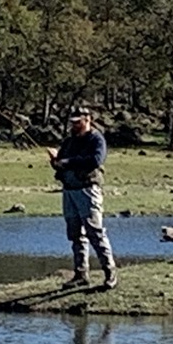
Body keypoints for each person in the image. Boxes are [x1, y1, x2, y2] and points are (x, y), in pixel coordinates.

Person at [47, 108, 117, 290]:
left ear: (88, 120)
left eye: (78, 121)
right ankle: (81, 274)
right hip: (69, 191)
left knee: (95, 232)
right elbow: (60, 163)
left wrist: (68, 162)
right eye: (73, 122)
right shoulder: (69, 141)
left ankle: (110, 273)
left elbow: (95, 160)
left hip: (87, 190)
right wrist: (55, 161)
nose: (74, 125)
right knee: (76, 235)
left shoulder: (96, 139)